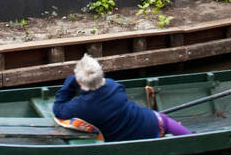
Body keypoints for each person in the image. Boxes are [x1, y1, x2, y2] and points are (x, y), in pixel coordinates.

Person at [52, 54, 191, 140]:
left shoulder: (79, 108)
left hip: (133, 137)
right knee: (191, 138)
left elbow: (57, 108)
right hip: (157, 123)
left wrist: (71, 83)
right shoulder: (114, 87)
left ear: (80, 81)